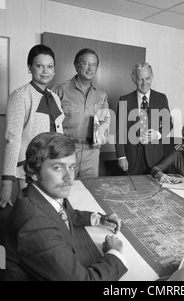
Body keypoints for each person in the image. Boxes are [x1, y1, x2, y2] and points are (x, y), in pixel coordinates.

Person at [2, 132, 127, 281]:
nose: (69, 177)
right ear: (34, 172)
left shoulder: (33, 194)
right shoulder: (36, 226)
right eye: (57, 168)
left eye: (72, 167)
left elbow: (59, 212)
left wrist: (97, 218)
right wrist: (114, 253)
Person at [0, 44, 64, 209]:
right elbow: (12, 139)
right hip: (31, 168)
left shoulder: (55, 98)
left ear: (54, 70)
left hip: (53, 166)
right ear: (30, 67)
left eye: (49, 67)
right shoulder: (20, 96)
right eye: (39, 66)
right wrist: (7, 179)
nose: (45, 71)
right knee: (33, 212)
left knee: (52, 211)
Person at [52, 48, 110, 178]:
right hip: (66, 151)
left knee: (89, 192)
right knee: (64, 191)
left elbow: (104, 124)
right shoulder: (59, 91)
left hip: (92, 153)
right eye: (86, 63)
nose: (90, 68)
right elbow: (50, 124)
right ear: (76, 65)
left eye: (94, 65)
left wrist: (101, 137)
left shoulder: (101, 96)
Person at [115, 62, 173, 175]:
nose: (144, 83)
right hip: (131, 158)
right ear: (134, 79)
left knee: (154, 189)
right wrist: (121, 156)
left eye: (147, 78)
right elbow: (119, 131)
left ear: (152, 77)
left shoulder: (161, 98)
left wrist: (158, 134)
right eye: (140, 79)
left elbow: (168, 124)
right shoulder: (124, 100)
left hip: (155, 158)